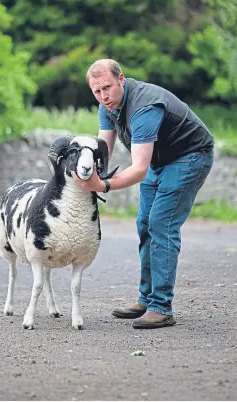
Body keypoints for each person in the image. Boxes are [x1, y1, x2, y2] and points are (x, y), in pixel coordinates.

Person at [71, 59, 214, 329]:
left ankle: (161, 307)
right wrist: (89, 173)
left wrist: (104, 186)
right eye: (97, 92)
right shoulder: (107, 106)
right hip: (161, 161)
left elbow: (138, 169)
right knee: (144, 223)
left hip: (191, 156)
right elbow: (104, 150)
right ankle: (147, 299)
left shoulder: (144, 108)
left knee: (162, 223)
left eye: (107, 88)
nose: (103, 96)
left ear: (121, 79)